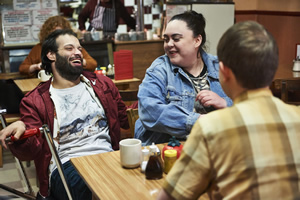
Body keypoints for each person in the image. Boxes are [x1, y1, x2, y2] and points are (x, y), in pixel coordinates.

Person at [157, 21, 300, 200]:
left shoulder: (212, 128)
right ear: (272, 71)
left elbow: (170, 197)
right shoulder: (297, 116)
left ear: (223, 72)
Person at [0, 29, 136, 200]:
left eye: (79, 48)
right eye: (70, 48)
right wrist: (22, 128)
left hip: (108, 157)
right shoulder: (35, 100)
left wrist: (149, 102)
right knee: (96, 187)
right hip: (67, 165)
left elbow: (126, 117)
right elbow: (29, 151)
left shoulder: (102, 85)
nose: (78, 52)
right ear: (52, 55)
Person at [134, 11, 232, 146]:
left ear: (197, 40)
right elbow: (149, 111)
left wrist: (225, 103)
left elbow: (249, 104)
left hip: (216, 148)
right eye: (166, 39)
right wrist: (199, 122)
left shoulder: (219, 67)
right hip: (167, 150)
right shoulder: (160, 69)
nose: (169, 44)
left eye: (176, 38)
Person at [19, 15, 97, 76]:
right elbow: (22, 69)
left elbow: (92, 64)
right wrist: (36, 66)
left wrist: (75, 59)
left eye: (61, 33)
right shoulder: (39, 48)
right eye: (54, 34)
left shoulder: (73, 47)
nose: (58, 36)